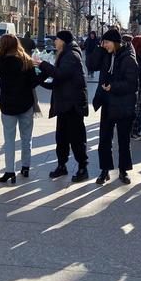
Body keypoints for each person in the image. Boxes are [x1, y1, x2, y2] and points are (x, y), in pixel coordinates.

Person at [87, 28, 138, 185]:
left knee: (123, 141)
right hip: (108, 103)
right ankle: (105, 170)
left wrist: (113, 87)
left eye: (107, 42)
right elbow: (91, 64)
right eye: (103, 42)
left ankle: (123, 171)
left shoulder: (128, 58)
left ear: (116, 43)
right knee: (104, 140)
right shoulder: (106, 54)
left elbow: (132, 84)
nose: (105, 45)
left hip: (123, 105)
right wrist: (98, 47)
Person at [38, 30, 89, 182]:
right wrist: (43, 82)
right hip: (65, 103)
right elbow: (61, 79)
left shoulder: (71, 55)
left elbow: (60, 74)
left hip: (73, 105)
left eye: (57, 39)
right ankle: (62, 166)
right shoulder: (65, 53)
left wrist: (42, 64)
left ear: (64, 41)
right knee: (61, 137)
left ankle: (82, 168)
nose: (55, 42)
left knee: (76, 138)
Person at [0, 34, 40, 184]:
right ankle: (25, 167)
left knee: (9, 140)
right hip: (25, 104)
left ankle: (9, 171)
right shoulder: (26, 60)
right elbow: (33, 83)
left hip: (7, 106)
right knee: (27, 138)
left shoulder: (1, 62)